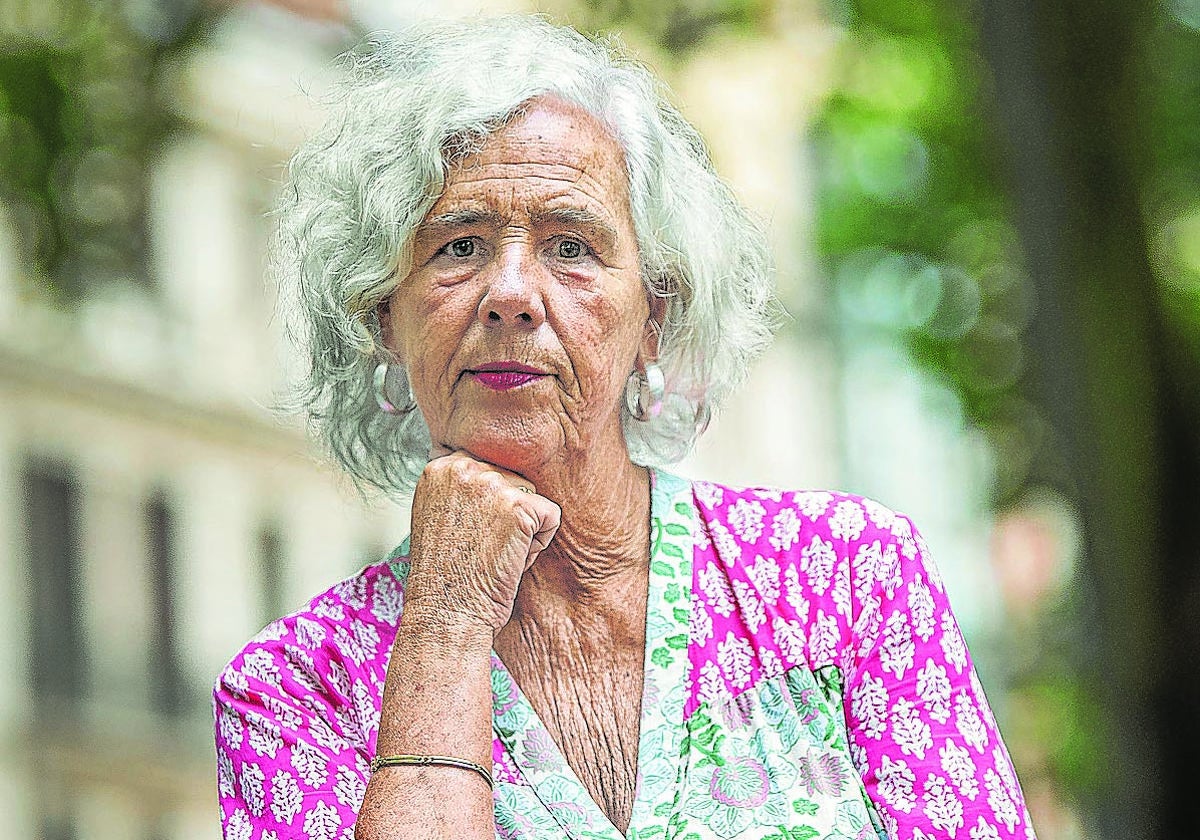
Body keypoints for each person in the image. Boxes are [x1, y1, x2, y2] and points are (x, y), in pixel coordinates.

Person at [214, 15, 1036, 840]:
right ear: (384, 318)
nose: (511, 292)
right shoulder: (292, 692)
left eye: (570, 246)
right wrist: (445, 624)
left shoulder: (845, 578)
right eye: (458, 246)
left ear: (655, 316)